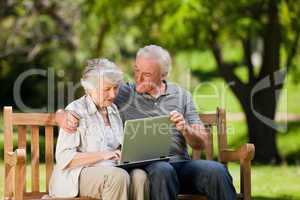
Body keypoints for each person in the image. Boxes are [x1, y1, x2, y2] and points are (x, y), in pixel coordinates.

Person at [56, 45, 237, 200]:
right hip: (148, 166)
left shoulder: (182, 96)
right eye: (136, 70)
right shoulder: (124, 93)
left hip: (181, 164)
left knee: (216, 171)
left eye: (147, 74)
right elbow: (91, 96)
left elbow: (200, 142)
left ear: (163, 74)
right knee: (162, 170)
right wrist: (61, 115)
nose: (138, 78)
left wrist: (186, 129)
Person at [49, 58, 149, 200]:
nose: (113, 94)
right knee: (117, 177)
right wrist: (104, 154)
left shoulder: (113, 110)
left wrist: (126, 153)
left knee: (140, 176)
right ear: (91, 89)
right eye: (107, 89)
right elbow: (64, 158)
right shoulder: (75, 111)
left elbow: (117, 146)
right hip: (78, 175)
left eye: (115, 88)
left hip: (111, 169)